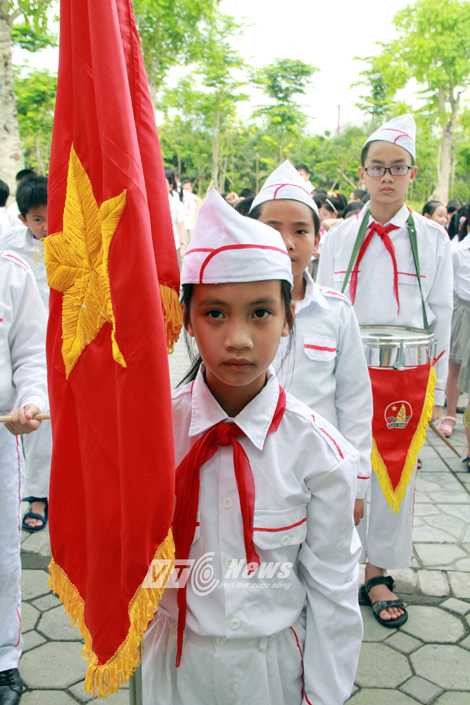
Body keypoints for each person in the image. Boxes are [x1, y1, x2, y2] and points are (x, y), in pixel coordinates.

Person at [143, 189, 363, 705]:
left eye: (260, 312)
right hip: (173, 664)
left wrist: (322, 696)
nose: (238, 338)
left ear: (288, 319)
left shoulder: (319, 453)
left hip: (271, 671)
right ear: (187, 320)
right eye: (215, 314)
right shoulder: (155, 437)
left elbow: (333, 591)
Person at [318, 114, 453, 628]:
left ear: (412, 174)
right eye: (378, 167)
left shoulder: (433, 239)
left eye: (398, 167)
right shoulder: (338, 238)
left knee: (395, 479)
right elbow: (323, 306)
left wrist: (432, 392)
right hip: (344, 374)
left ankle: (376, 573)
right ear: (363, 174)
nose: (387, 176)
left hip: (405, 378)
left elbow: (440, 313)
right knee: (340, 473)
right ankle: (336, 567)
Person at [249, 160, 372, 526]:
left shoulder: (336, 311)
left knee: (326, 554)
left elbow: (354, 401)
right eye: (272, 229)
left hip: (322, 472)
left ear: (317, 242)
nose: (287, 242)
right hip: (251, 468)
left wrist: (358, 482)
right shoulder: (232, 311)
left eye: (301, 231)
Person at [0, 250, 48, 705]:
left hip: (1, 436)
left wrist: (30, 400)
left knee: (1, 556)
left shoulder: (11, 274)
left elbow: (31, 354)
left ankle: (3, 659)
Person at [2, 176, 51, 533]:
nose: (46, 226)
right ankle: (37, 494)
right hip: (29, 347)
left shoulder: (77, 245)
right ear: (22, 219)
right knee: (35, 424)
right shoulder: (8, 251)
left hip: (66, 345)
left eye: (52, 216)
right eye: (37, 219)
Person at [438, 234, 470, 444]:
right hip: (462, 309)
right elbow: (447, 285)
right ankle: (449, 414)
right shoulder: (458, 251)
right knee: (455, 365)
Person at [165, 168, 186, 261]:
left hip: (174, 244)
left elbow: (181, 225)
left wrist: (183, 245)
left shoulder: (175, 202)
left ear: (170, 186)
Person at [181, 178, 200, 244]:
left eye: (188, 188)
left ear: (191, 188)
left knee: (193, 241)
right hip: (184, 223)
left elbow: (199, 202)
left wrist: (195, 216)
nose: (186, 190)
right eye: (185, 188)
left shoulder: (193, 196)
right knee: (185, 242)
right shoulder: (181, 197)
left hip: (192, 222)